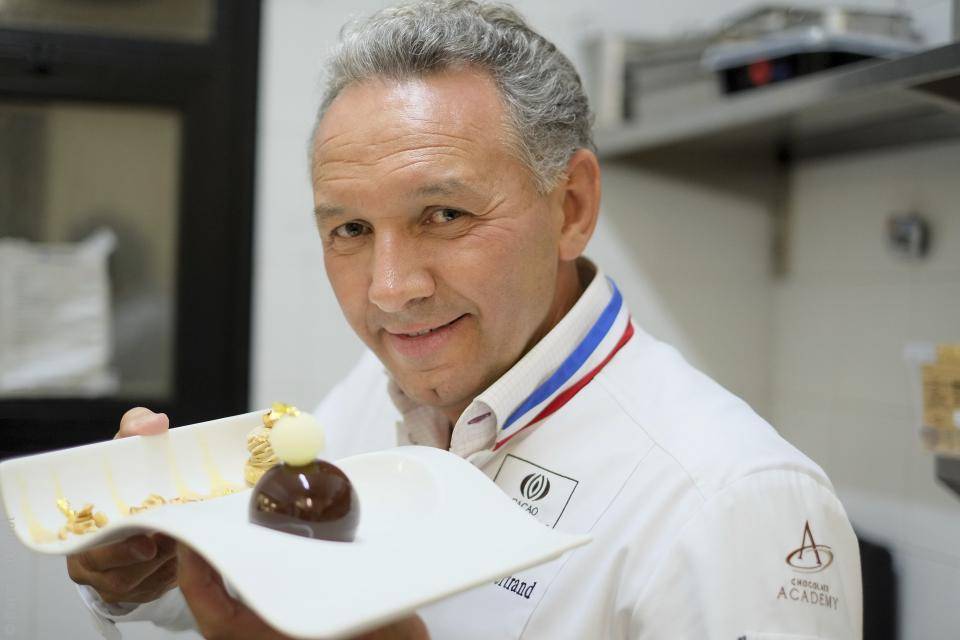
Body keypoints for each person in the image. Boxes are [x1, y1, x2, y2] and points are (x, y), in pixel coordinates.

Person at [68, 1, 863, 638]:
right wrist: (152, 574)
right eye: (349, 230)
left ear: (572, 208)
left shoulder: (730, 501)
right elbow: (271, 591)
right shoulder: (374, 398)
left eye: (443, 214)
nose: (389, 290)